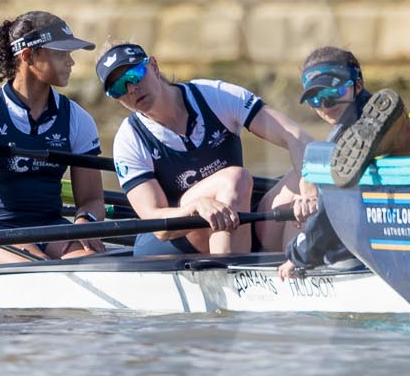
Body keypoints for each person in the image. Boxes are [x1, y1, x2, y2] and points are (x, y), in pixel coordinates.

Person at [99, 42, 312, 257]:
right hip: (173, 240)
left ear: (153, 65)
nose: (131, 89)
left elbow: (298, 139)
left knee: (308, 174)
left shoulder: (215, 96)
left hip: (234, 219)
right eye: (118, 88)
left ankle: (300, 268)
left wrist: (310, 192)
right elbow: (158, 225)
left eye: (135, 75)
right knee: (234, 179)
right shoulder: (129, 139)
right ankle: (230, 277)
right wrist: (196, 207)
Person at [280, 48, 410, 278]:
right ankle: (403, 135)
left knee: (326, 164)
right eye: (315, 98)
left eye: (335, 91)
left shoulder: (344, 144)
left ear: (358, 85)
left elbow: (330, 215)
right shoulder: (348, 138)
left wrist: (298, 254)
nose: (325, 103)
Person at [0, 11, 106, 264]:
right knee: (34, 266)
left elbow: (92, 199)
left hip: (50, 227)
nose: (71, 62)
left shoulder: (77, 118)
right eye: (61, 53)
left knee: (93, 261)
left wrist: (86, 220)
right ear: (28, 56)